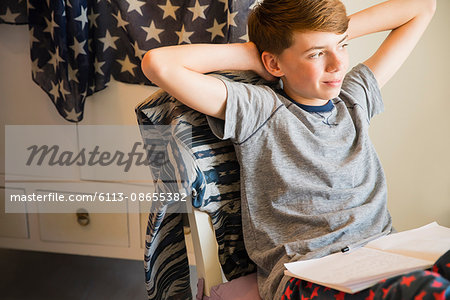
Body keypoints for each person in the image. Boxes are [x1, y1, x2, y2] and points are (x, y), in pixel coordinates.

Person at [141, 0, 449, 299]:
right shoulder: (260, 109)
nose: (338, 63)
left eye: (342, 47)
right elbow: (158, 64)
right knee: (429, 291)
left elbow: (423, 6)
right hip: (309, 274)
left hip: (384, 258)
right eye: (316, 54)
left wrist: (330, 34)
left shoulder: (354, 98)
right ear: (274, 62)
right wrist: (253, 54)